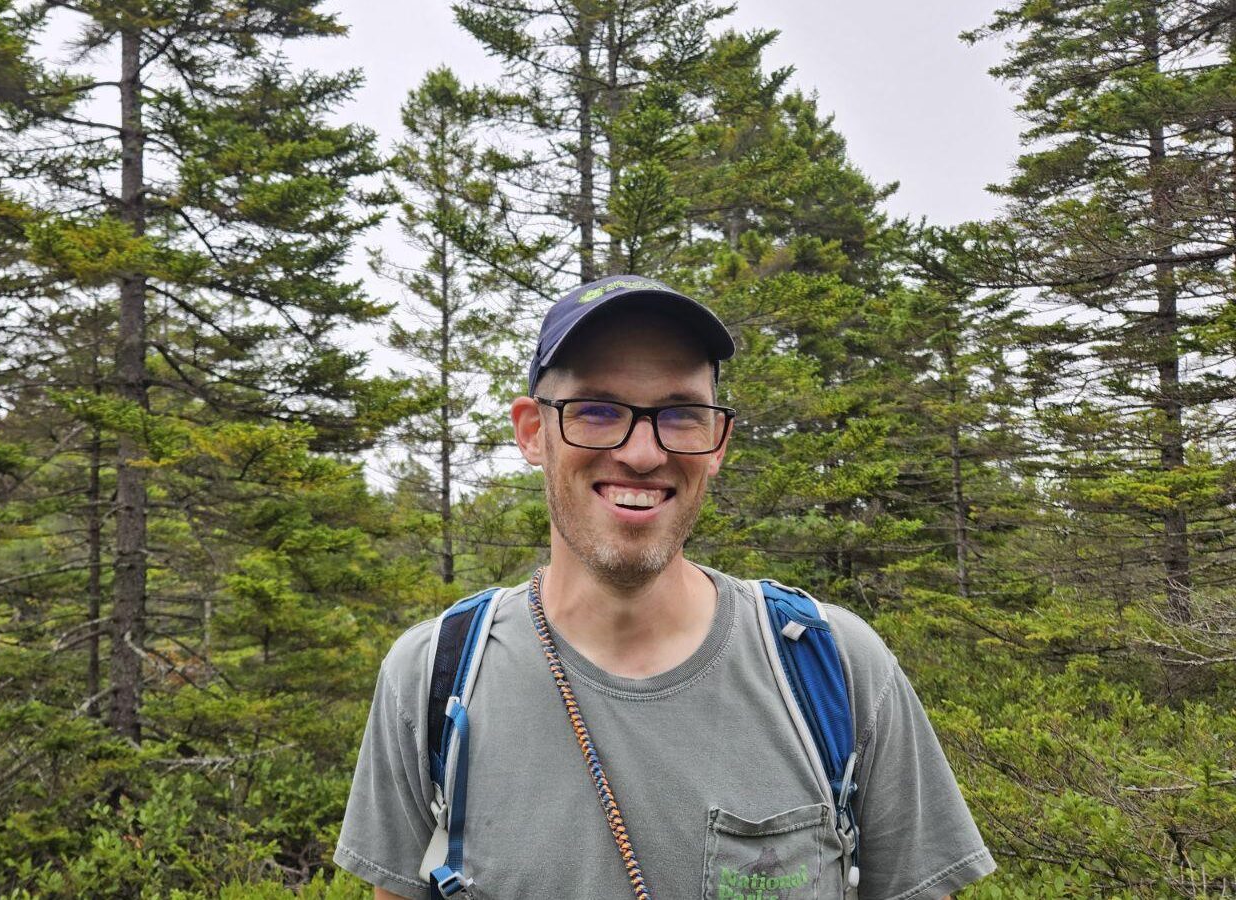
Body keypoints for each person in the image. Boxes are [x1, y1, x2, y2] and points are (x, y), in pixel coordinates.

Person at [334, 276, 996, 899]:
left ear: (719, 441)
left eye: (680, 414)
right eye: (596, 410)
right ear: (534, 433)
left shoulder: (836, 669)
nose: (643, 453)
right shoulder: (431, 681)